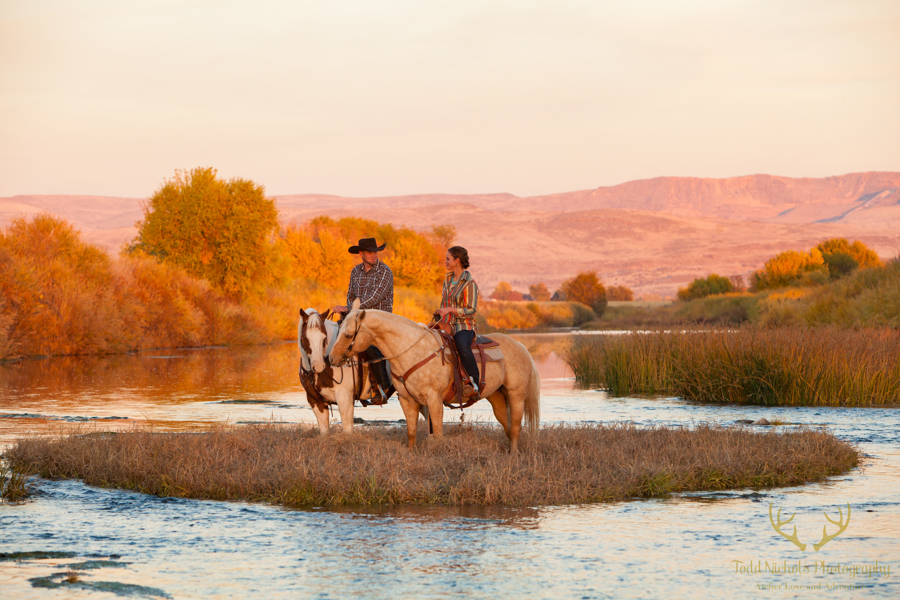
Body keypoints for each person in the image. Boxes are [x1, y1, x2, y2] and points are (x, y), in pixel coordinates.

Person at [332, 237, 394, 402]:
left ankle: (382, 387)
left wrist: (349, 309)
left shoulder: (385, 272)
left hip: (380, 320)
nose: (373, 255)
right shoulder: (355, 271)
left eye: (375, 252)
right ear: (361, 253)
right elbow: (350, 296)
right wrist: (348, 310)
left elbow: (375, 297)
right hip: (357, 318)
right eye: (369, 252)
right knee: (336, 337)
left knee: (371, 345)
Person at [434, 246, 481, 397]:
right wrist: (440, 313)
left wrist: (450, 310)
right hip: (446, 324)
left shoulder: (470, 284)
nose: (445, 261)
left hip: (464, 325)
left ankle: (474, 383)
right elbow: (444, 303)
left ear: (457, 260)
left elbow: (471, 309)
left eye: (448, 259)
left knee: (462, 346)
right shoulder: (447, 280)